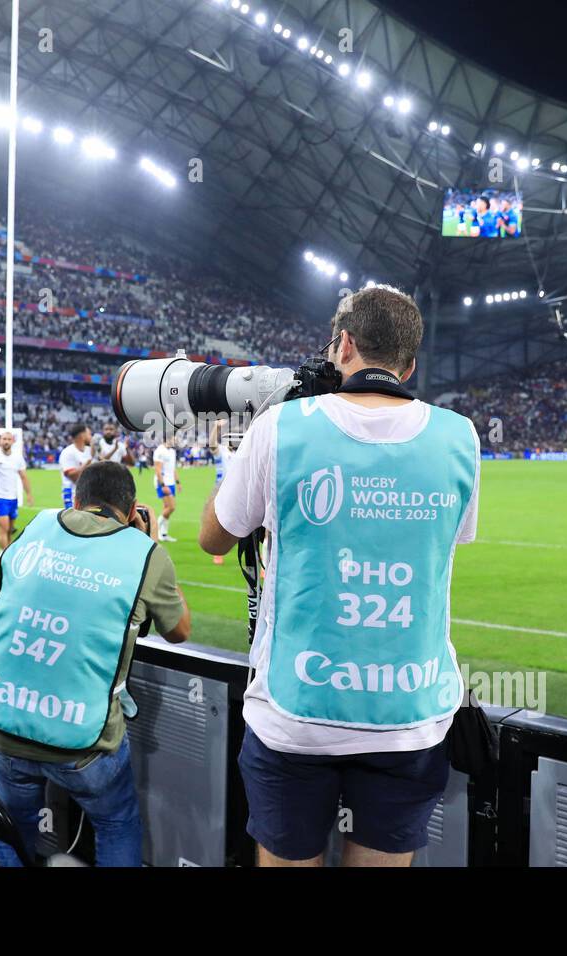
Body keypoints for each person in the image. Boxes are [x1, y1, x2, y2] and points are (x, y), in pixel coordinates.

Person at [198, 285, 480, 868]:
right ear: (409, 364)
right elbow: (442, 541)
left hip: (297, 707)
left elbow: (214, 537)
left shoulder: (281, 427)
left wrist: (242, 454)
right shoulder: (460, 437)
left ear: (344, 343)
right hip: (408, 712)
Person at [0, 461, 191, 866]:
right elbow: (179, 629)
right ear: (131, 513)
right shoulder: (144, 552)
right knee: (116, 823)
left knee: (9, 825)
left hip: (1, 718)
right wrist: (149, 547)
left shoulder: (38, 525)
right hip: (82, 738)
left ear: (76, 501)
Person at [0, 430, 32, 552]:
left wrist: (29, 494)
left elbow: (23, 476)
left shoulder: (17, 458)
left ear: (13, 441)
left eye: (9, 439)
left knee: (9, 529)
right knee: (4, 528)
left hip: (13, 498)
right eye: (4, 439)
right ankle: (2, 554)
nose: (6, 441)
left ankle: (6, 554)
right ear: (0, 441)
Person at [208, 419, 230, 565]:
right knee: (219, 522)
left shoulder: (242, 451)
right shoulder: (221, 450)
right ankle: (217, 553)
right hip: (220, 489)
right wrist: (216, 426)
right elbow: (212, 444)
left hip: (235, 490)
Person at [57, 423, 93, 510]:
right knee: (74, 522)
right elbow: (74, 477)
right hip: (72, 495)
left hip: (88, 495)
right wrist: (89, 461)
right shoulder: (68, 452)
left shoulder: (89, 451)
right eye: (89, 434)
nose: (91, 437)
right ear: (82, 436)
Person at [152, 437, 179, 541]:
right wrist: (163, 485)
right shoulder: (160, 451)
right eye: (174, 438)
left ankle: (163, 534)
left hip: (171, 482)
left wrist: (178, 482)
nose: (176, 440)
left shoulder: (172, 451)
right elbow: (158, 470)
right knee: (171, 507)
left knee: (166, 508)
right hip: (162, 483)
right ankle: (155, 528)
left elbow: (173, 469)